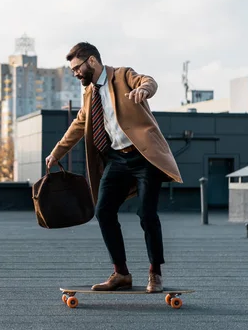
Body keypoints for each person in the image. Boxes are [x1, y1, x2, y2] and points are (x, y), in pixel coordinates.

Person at [46, 42, 182, 293]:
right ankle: (121, 273)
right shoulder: (89, 93)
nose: (75, 73)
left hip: (144, 157)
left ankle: (155, 273)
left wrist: (144, 90)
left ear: (92, 62)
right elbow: (79, 124)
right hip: (117, 160)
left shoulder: (122, 75)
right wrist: (57, 152)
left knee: (147, 215)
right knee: (104, 211)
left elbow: (148, 81)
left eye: (77, 68)